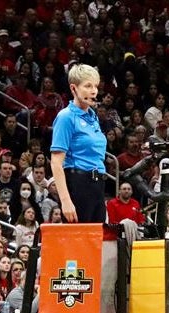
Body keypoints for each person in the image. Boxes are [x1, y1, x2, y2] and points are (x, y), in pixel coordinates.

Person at [49, 64, 108, 225]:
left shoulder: (93, 116)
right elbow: (56, 163)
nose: (94, 91)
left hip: (98, 184)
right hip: (78, 184)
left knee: (95, 243)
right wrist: (66, 201)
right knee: (78, 243)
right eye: (88, 86)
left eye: (95, 86)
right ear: (74, 88)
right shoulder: (66, 117)